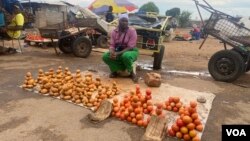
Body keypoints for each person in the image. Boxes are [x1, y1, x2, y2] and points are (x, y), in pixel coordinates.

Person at [102, 13, 139, 82]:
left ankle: (132, 73)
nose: (125, 23)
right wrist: (111, 52)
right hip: (118, 51)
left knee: (125, 56)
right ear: (119, 21)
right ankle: (115, 71)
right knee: (105, 56)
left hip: (131, 51)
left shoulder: (132, 31)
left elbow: (130, 47)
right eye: (123, 21)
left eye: (126, 21)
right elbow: (112, 45)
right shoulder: (114, 32)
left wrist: (117, 53)